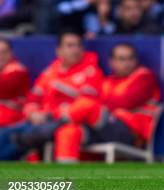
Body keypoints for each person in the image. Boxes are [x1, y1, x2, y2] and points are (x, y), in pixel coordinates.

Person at [0, 32, 103, 160]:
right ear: (58, 51)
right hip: (40, 122)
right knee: (7, 134)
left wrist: (52, 114)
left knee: (19, 137)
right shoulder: (50, 72)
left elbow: (88, 104)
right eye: (70, 46)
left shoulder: (91, 71)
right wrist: (33, 113)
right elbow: (33, 99)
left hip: (73, 122)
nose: (75, 50)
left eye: (78, 45)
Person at [53, 43, 161, 162]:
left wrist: (100, 103)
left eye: (130, 59)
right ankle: (66, 178)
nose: (127, 63)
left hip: (130, 134)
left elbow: (124, 101)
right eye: (121, 59)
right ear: (112, 62)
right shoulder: (108, 82)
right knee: (68, 132)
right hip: (105, 130)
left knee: (88, 105)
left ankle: (50, 126)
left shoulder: (144, 77)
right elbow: (101, 101)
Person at [0, 38, 30, 127]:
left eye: (4, 52)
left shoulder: (18, 70)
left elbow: (3, 89)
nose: (1, 56)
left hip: (13, 114)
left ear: (11, 53)